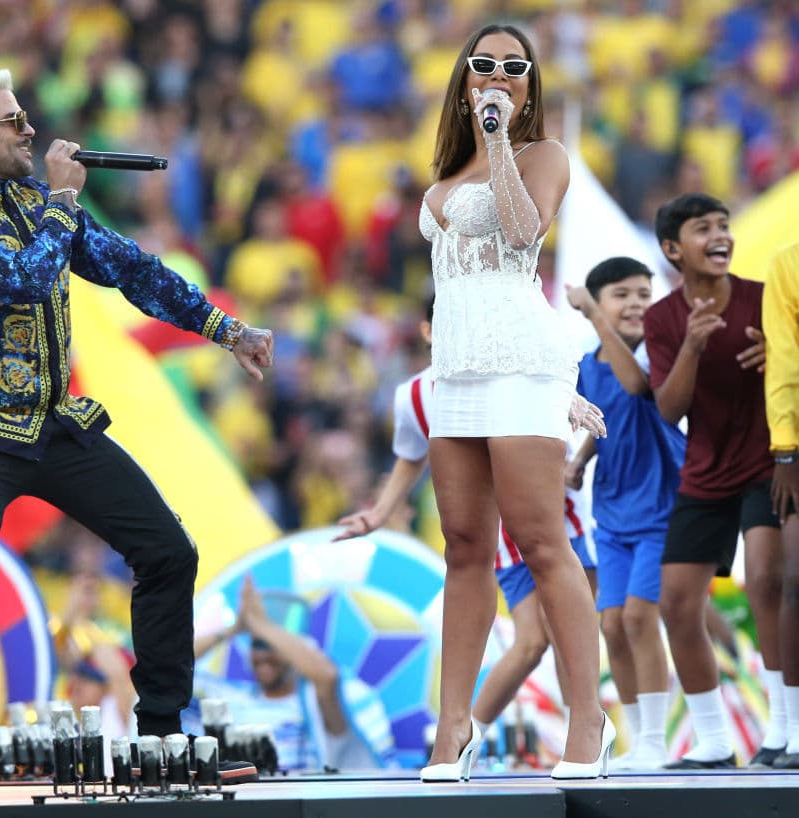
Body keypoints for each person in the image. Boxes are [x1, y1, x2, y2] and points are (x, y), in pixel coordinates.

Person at [0, 69, 273, 790]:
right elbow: (17, 280)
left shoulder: (38, 206)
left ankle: (161, 733)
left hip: (53, 421)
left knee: (168, 550)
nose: (30, 131)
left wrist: (225, 329)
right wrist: (65, 201)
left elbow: (131, 269)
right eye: (13, 121)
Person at [416, 24, 611, 783]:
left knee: (539, 540)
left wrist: (498, 140)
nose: (496, 75)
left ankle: (588, 721)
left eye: (513, 67)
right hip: (456, 364)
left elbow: (526, 231)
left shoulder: (543, 154)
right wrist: (481, 146)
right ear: (463, 78)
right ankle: (453, 727)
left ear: (529, 86)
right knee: (464, 545)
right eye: (483, 64)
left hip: (520, 363)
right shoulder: (445, 167)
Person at [334, 301, 595, 768]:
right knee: (532, 640)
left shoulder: (513, 370)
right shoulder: (415, 395)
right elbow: (411, 456)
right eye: (450, 322)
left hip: (551, 514)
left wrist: (562, 394)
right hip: (497, 535)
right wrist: (379, 513)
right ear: (428, 331)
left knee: (556, 633)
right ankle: (470, 730)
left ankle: (579, 724)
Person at [643, 193, 782, 769]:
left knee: (768, 584)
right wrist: (693, 346)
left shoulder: (765, 298)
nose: (720, 235)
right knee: (677, 603)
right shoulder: (662, 319)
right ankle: (715, 742)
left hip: (772, 464)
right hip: (704, 473)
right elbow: (669, 408)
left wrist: (782, 356)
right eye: (703, 228)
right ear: (673, 249)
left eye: (724, 225)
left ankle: (786, 731)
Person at [565, 257, 687, 770]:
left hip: (662, 508)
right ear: (600, 299)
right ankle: (639, 741)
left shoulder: (659, 351)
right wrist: (579, 460)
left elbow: (636, 387)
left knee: (639, 617)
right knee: (612, 624)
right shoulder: (587, 364)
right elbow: (605, 420)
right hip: (613, 514)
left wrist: (594, 315)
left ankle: (657, 740)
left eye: (644, 293)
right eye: (622, 294)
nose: (636, 303)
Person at [193, 575, 396, 771]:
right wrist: (234, 629)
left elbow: (326, 676)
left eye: (272, 645)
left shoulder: (316, 702)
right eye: (257, 644)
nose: (262, 655)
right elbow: (176, 667)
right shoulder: (231, 698)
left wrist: (261, 625)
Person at [762, 240, 799, 768]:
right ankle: (794, 728)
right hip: (796, 450)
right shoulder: (789, 262)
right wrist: (786, 451)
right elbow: (784, 359)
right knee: (795, 580)